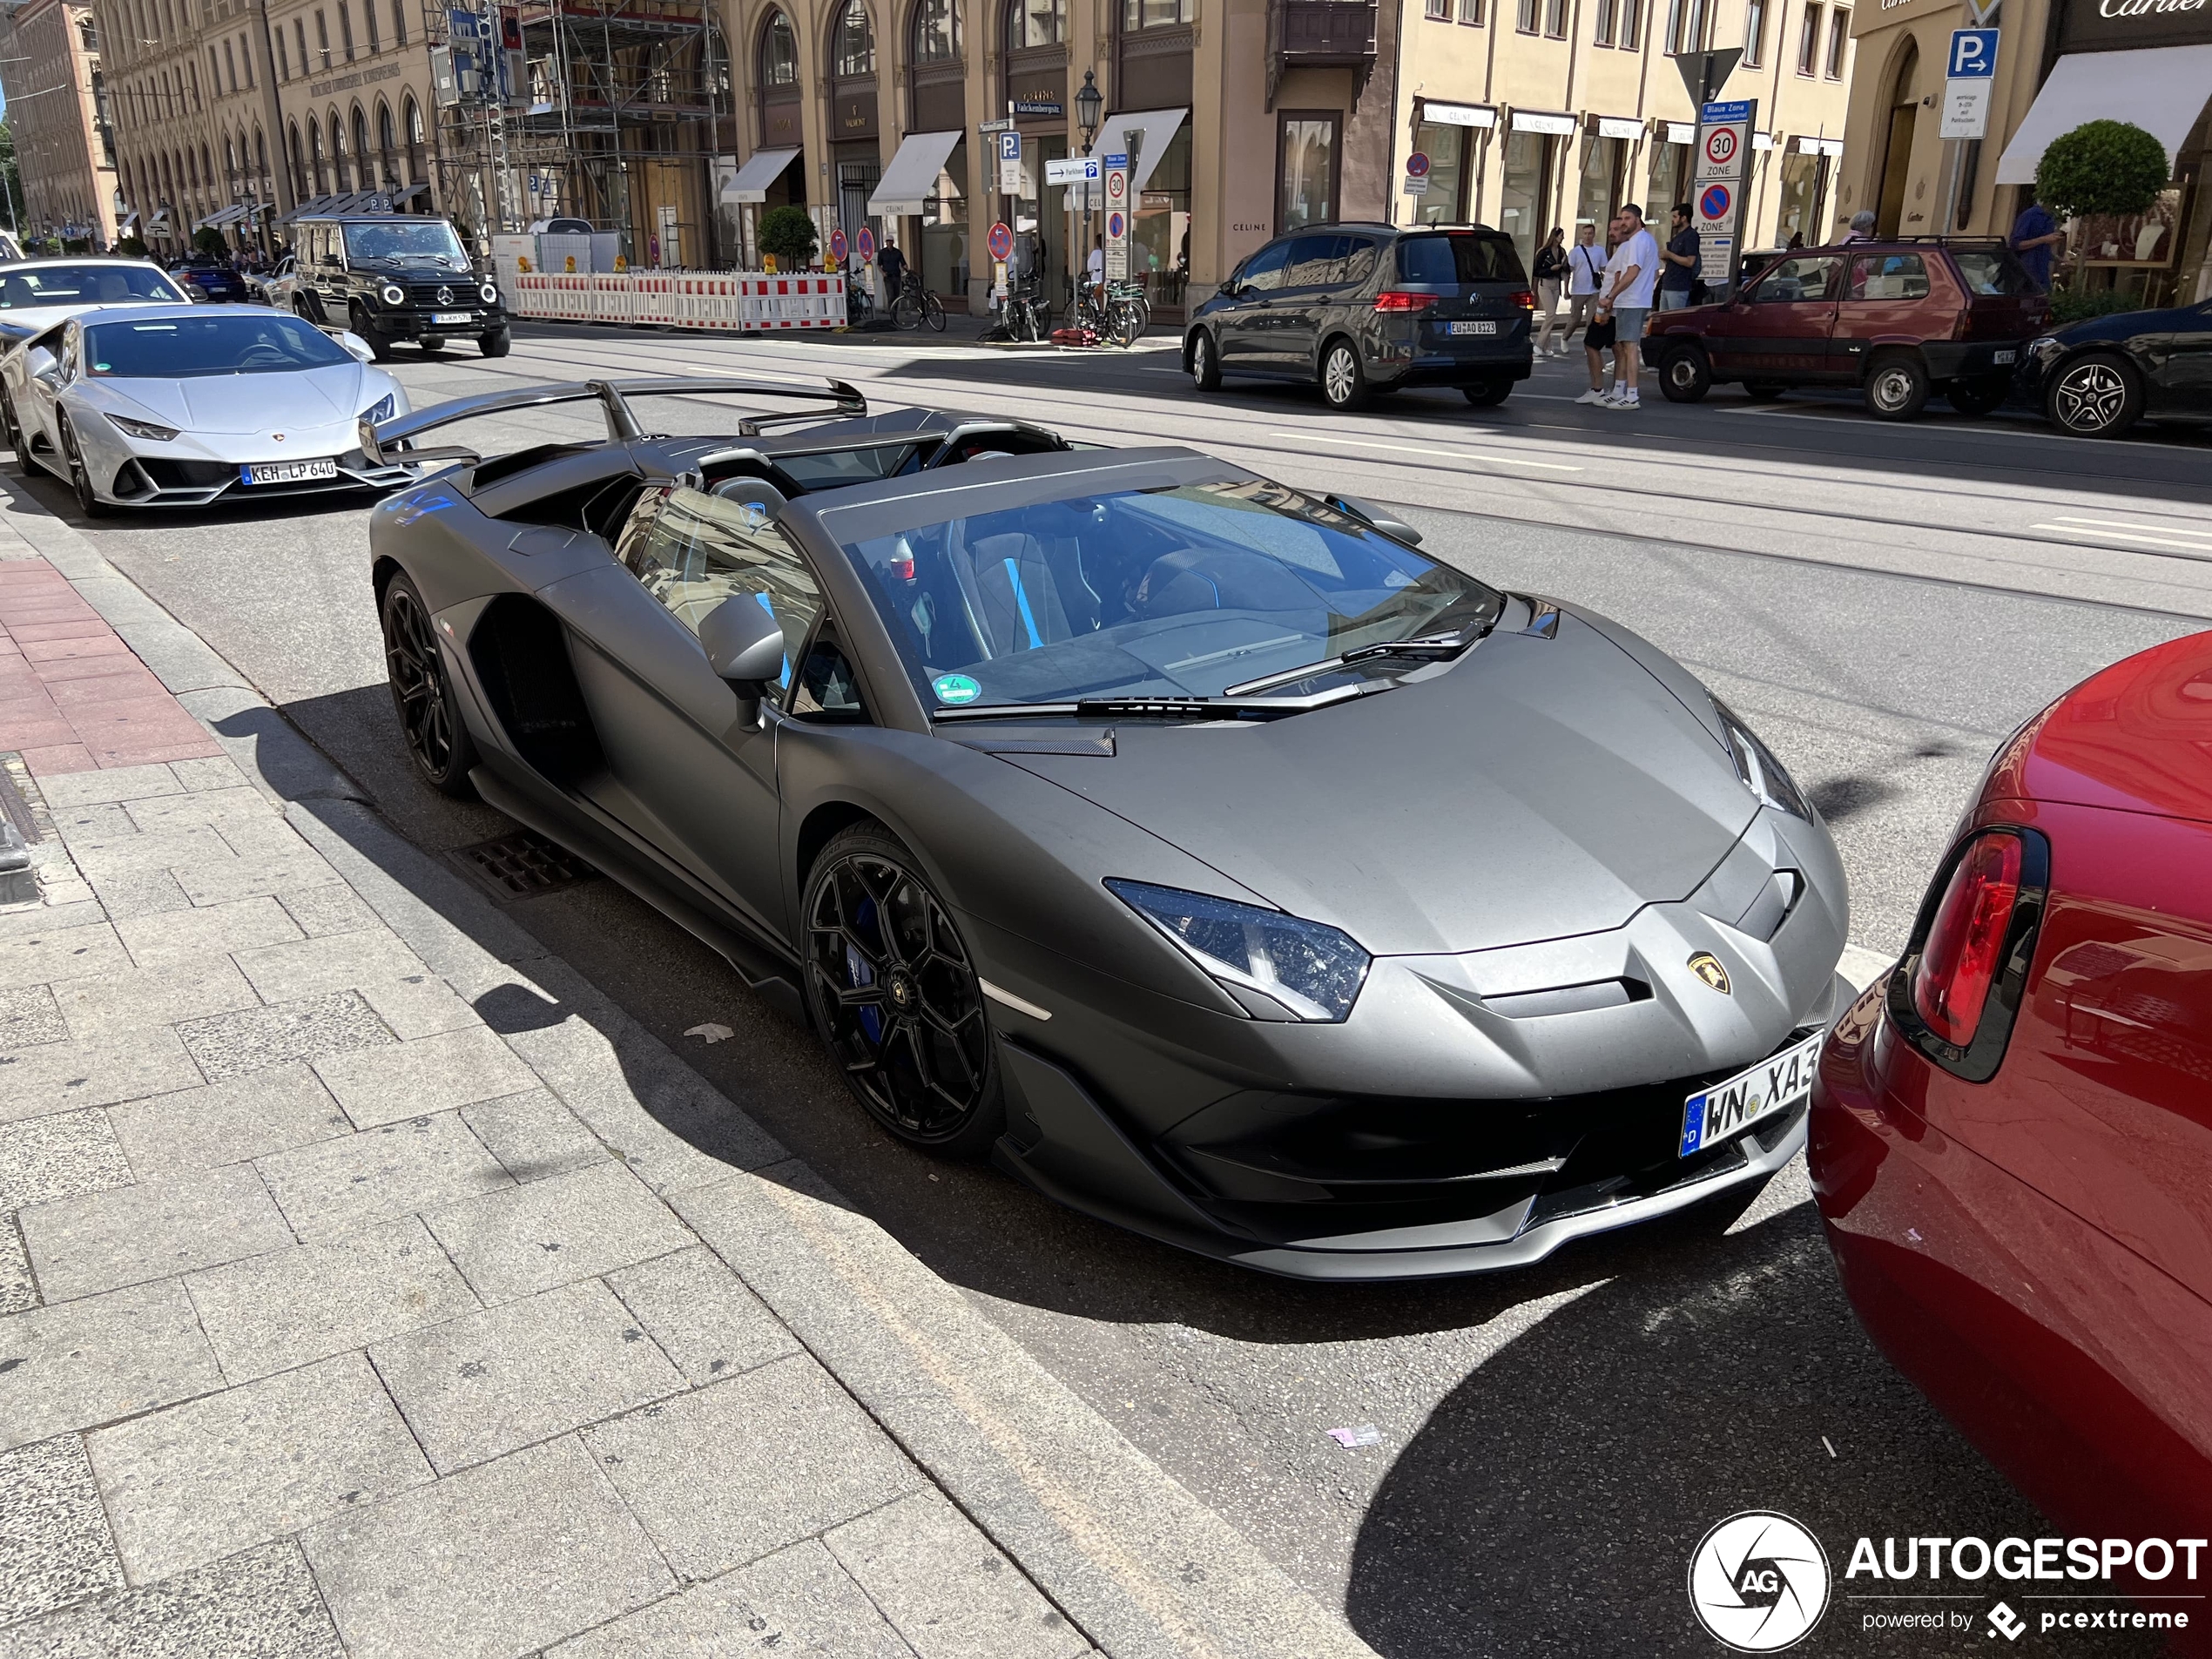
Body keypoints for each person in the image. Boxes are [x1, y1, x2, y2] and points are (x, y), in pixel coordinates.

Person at [1595, 204, 1658, 410]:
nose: (1623, 222)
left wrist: (1611, 296)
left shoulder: (1638, 242)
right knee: (1622, 347)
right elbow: (1654, 273)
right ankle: (1619, 391)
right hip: (1633, 299)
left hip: (1632, 300)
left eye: (1627, 218)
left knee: (1629, 348)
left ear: (1638, 220)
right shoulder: (1645, 240)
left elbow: (1631, 273)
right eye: (1622, 219)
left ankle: (1631, 395)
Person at [1561, 221, 1606, 353]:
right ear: (1582, 235)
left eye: (1590, 233)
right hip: (1578, 290)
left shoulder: (1600, 251)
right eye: (1585, 234)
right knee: (1575, 318)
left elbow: (1604, 269)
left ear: (1594, 234)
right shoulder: (1575, 252)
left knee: (1591, 319)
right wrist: (1566, 290)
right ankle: (1565, 337)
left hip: (1594, 290)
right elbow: (1569, 272)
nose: (1587, 236)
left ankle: (1588, 344)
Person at [2010, 195, 2065, 291]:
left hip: (2042, 272)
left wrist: (2058, 259)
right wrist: (2044, 239)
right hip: (2026, 272)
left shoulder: (2050, 218)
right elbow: (2016, 244)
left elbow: (2042, 247)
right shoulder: (2029, 216)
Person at [1532, 227, 1568, 355]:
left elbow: (1566, 270)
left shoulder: (1561, 251)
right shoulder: (1543, 252)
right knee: (1551, 314)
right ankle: (1539, 344)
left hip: (1556, 284)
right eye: (1561, 236)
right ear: (1555, 236)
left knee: (1550, 316)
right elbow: (1536, 271)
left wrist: (1564, 266)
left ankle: (1547, 346)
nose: (1562, 238)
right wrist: (1551, 269)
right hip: (1545, 284)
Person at [1658, 204, 1698, 313]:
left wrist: (1670, 255)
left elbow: (1690, 261)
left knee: (1673, 319)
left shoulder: (1691, 235)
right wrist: (1665, 257)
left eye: (1675, 217)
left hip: (1679, 287)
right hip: (1668, 283)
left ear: (1684, 218)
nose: (1672, 220)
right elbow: (1675, 260)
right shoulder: (1677, 236)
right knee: (1663, 319)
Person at [875, 236, 908, 303]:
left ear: (893, 242)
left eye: (890, 241)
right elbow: (878, 265)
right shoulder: (882, 253)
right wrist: (883, 273)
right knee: (890, 295)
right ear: (886, 242)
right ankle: (891, 311)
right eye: (888, 241)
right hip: (888, 276)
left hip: (896, 276)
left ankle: (895, 311)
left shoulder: (898, 252)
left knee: (896, 295)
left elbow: (903, 263)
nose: (889, 243)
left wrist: (906, 269)